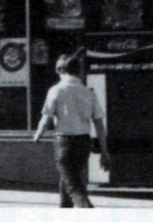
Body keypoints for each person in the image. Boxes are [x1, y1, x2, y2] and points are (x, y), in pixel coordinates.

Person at [33, 52, 111, 207]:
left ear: (60, 70)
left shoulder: (56, 90)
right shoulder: (89, 92)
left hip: (64, 142)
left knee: (74, 187)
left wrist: (38, 135)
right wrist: (104, 151)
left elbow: (46, 118)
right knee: (69, 180)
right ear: (78, 71)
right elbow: (99, 124)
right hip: (83, 143)